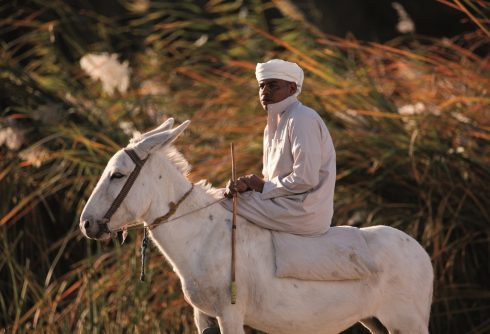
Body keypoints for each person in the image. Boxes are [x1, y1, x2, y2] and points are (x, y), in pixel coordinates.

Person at [223, 59, 336, 236]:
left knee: (220, 202)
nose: (265, 91)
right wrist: (248, 185)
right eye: (261, 86)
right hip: (282, 205)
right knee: (226, 196)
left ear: (292, 89)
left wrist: (261, 186)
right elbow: (273, 179)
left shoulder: (302, 118)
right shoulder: (272, 125)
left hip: (303, 211)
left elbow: (305, 179)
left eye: (273, 85)